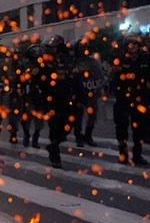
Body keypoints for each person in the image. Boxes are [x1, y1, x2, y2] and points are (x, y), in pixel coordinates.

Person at [110, 34, 150, 165]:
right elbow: (111, 76)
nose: (133, 47)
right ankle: (123, 153)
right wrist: (114, 71)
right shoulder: (119, 59)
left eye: (136, 44)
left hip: (139, 99)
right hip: (123, 99)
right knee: (121, 128)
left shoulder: (145, 60)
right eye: (131, 44)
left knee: (139, 128)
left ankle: (137, 154)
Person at [43, 35, 81, 168]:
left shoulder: (69, 60)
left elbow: (76, 78)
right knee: (54, 127)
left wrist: (79, 96)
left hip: (66, 99)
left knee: (68, 126)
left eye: (54, 46)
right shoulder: (46, 61)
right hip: (51, 100)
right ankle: (55, 154)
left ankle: (53, 145)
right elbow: (40, 81)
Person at [74, 40, 105, 147]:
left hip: (92, 91)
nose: (84, 48)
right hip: (79, 93)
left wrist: (100, 88)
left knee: (92, 115)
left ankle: (88, 135)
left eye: (85, 46)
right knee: (78, 116)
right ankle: (78, 137)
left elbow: (100, 76)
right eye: (82, 46)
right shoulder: (75, 62)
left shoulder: (93, 61)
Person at [20, 43, 47, 149]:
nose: (37, 54)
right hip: (28, 95)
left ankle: (36, 137)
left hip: (40, 95)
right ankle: (26, 135)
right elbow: (20, 79)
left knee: (39, 119)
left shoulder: (44, 65)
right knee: (26, 118)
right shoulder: (25, 65)